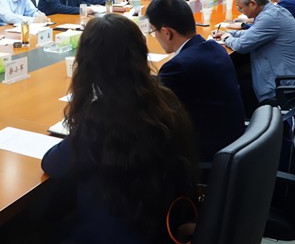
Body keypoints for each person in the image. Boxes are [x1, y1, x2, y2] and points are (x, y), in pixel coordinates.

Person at [41, 14, 197, 242]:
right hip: (161, 226)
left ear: (87, 65)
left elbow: (52, 163)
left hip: (113, 233)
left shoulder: (100, 119)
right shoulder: (164, 100)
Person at [145, 0, 245, 162]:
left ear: (167, 32)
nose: (155, 36)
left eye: (154, 32)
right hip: (232, 144)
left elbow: (152, 110)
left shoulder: (179, 67)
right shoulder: (214, 48)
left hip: (206, 157)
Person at [212, 0, 295, 114]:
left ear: (252, 4)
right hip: (288, 74)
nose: (239, 10)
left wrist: (226, 38)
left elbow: (241, 45)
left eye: (240, 8)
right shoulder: (272, 11)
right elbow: (253, 33)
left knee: (229, 86)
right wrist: (229, 33)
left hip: (286, 86)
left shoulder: (270, 17)